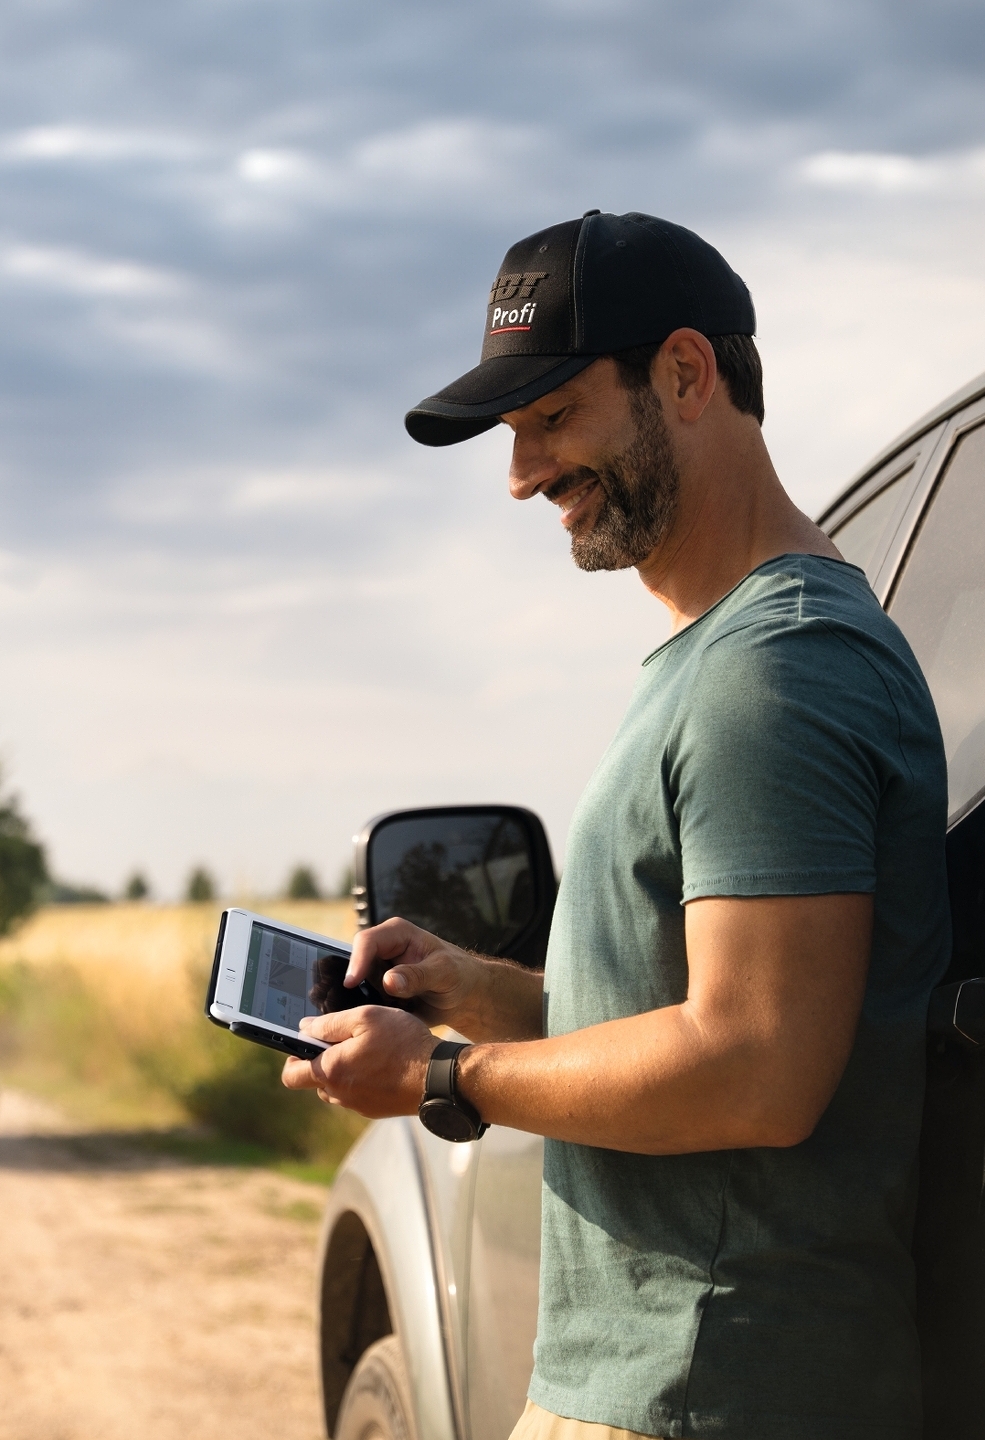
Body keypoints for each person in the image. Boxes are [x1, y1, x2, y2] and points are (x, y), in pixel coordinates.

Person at [283, 210, 950, 1440]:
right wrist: (471, 987)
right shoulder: (722, 662)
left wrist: (441, 1076)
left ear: (685, 374)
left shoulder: (778, 669)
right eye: (513, 434)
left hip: (704, 1385)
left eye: (551, 419)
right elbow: (686, 1023)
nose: (522, 473)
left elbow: (753, 1068)